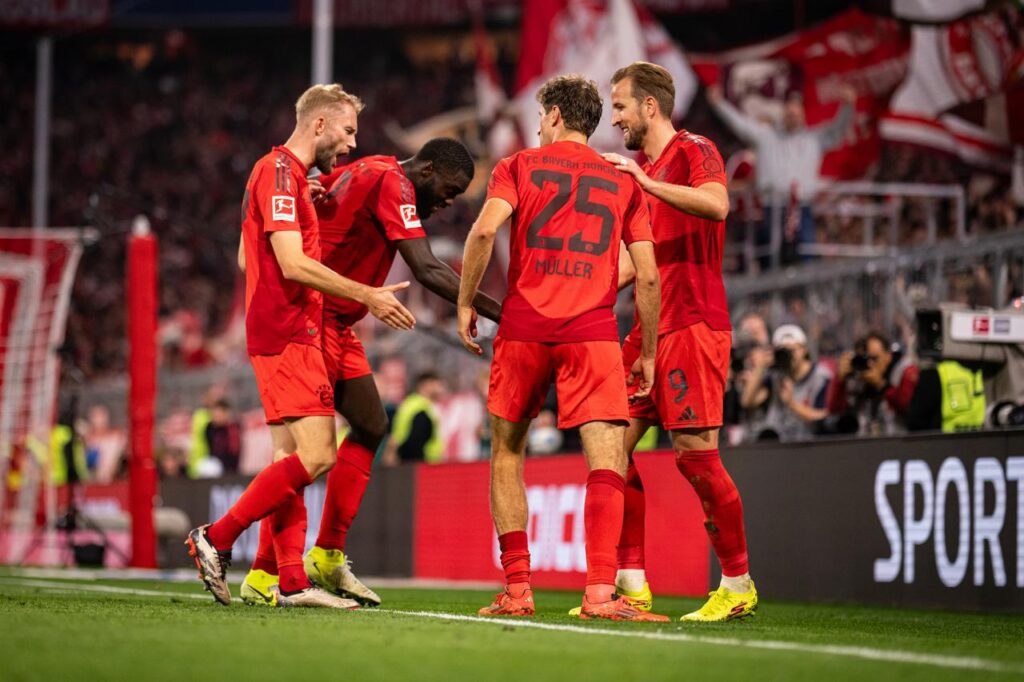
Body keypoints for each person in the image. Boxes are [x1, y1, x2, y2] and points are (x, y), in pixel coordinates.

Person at [238, 138, 502, 608]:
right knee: (300, 453)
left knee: (371, 424)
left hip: (339, 320)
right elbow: (425, 268)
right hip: (313, 318)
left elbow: (315, 197)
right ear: (425, 169)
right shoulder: (391, 181)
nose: (449, 200)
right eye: (450, 188)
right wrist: (505, 313)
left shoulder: (371, 169)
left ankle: (325, 555)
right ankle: (255, 566)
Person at [186, 83, 416, 609]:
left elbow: (250, 261)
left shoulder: (280, 178)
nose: (353, 143)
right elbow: (290, 265)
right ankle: (217, 539)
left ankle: (290, 582)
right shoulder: (281, 172)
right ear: (318, 125)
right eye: (348, 130)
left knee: (288, 458)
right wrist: (367, 294)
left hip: (275, 329)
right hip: (290, 331)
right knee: (316, 454)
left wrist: (300, 213)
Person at [457, 74, 666, 622]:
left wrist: (465, 302)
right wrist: (646, 350)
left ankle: (518, 589)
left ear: (552, 115)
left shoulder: (518, 166)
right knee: (605, 462)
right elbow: (647, 276)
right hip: (592, 332)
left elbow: (482, 234)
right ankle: (599, 594)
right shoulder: (624, 180)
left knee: (507, 453)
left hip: (524, 326)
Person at [594, 61, 756, 622]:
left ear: (649, 106)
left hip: (694, 323)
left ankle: (737, 583)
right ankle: (632, 586)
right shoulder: (639, 172)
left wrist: (645, 183)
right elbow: (627, 263)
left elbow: (717, 204)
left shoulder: (694, 150)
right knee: (609, 446)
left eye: (619, 106)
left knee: (695, 458)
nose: (614, 119)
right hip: (647, 328)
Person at [708, 83, 856, 266]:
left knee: (806, 257)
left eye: (796, 112)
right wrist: (718, 104)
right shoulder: (766, 136)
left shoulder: (814, 139)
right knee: (773, 258)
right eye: (789, 112)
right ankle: (773, 293)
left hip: (803, 208)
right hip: (772, 208)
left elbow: (838, 130)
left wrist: (848, 106)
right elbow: (740, 124)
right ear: (784, 114)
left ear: (802, 115)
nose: (792, 116)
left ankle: (804, 294)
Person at [741, 324, 832, 441]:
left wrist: (792, 404)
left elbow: (824, 416)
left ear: (804, 350)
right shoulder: (776, 375)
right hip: (777, 442)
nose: (790, 355)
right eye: (784, 351)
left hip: (809, 443)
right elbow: (747, 401)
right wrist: (761, 366)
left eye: (793, 350)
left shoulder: (820, 376)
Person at [828, 332, 919, 436]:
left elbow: (906, 407)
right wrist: (840, 380)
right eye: (866, 359)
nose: (870, 364)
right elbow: (834, 410)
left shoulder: (901, 372)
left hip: (895, 440)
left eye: (875, 358)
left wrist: (880, 384)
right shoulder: (857, 375)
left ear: (888, 356)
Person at [382, 373, 446, 465]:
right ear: (425, 385)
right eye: (436, 384)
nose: (440, 388)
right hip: (420, 464)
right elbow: (414, 442)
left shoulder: (413, 404)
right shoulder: (419, 409)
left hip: (414, 462)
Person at [205, 398, 241, 474]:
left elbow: (234, 451)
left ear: (226, 414)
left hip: (230, 469)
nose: (215, 418)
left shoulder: (233, 429)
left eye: (218, 415)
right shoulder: (209, 428)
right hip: (214, 465)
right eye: (214, 415)